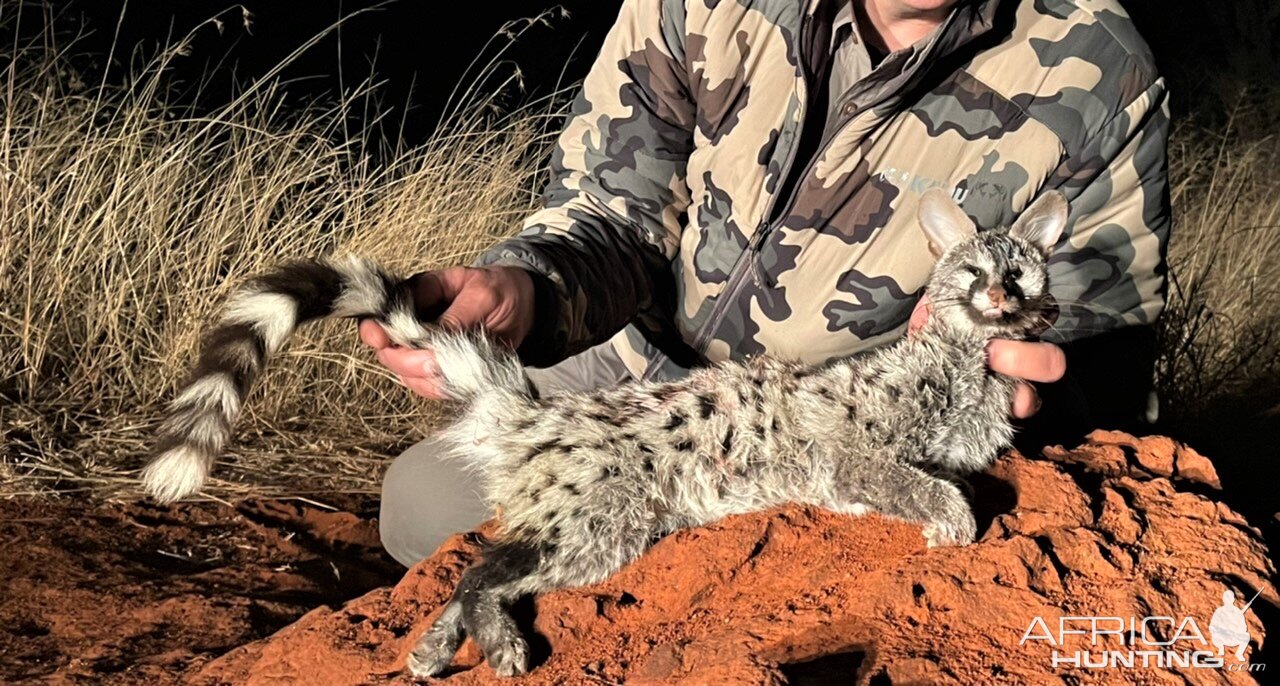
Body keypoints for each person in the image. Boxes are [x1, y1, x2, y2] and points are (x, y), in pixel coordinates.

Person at [367, 0, 1170, 566]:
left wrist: (1014, 375)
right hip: (646, 368)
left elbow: (1100, 329)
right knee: (427, 507)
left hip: (839, 423)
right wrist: (532, 287)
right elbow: (616, 206)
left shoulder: (1098, 67)